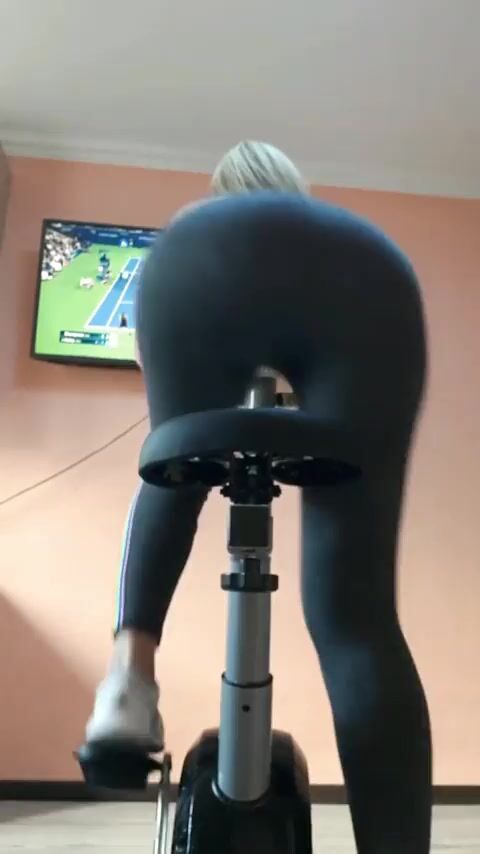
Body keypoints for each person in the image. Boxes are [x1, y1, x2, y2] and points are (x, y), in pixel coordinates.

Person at [85, 141, 431, 853]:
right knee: (356, 619)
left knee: (173, 460)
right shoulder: (333, 237)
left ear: (224, 189)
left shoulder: (202, 226)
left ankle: (128, 679)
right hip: (373, 274)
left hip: (196, 265)